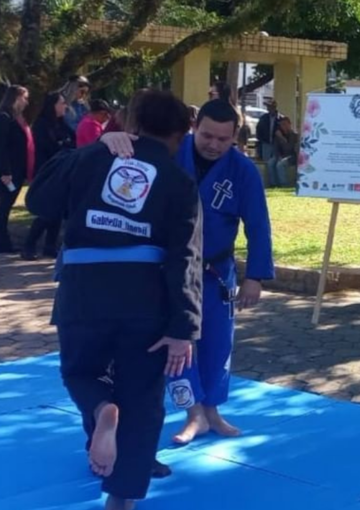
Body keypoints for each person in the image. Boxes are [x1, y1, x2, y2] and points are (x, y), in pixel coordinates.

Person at [25, 89, 204, 510]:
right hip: (144, 298)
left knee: (81, 373)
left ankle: (101, 409)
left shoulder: (92, 158)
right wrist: (184, 326)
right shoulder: (178, 181)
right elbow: (186, 256)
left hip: (83, 292)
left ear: (131, 122)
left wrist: (90, 149)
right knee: (142, 394)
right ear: (180, 135)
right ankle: (120, 498)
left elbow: (38, 201)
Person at [100, 98, 274, 444]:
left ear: (235, 136)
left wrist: (254, 277)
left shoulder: (243, 170)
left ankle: (212, 411)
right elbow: (121, 152)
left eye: (223, 139)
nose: (213, 145)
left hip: (216, 270)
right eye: (207, 135)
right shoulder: (169, 152)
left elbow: (258, 224)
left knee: (218, 342)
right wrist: (108, 138)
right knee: (178, 342)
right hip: (170, 270)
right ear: (194, 127)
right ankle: (192, 413)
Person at [22, 90, 75, 260]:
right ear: (52, 105)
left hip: (63, 171)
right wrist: (62, 146)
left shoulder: (63, 124)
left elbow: (72, 142)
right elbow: (47, 148)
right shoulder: (42, 125)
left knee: (58, 210)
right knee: (46, 211)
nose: (65, 106)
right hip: (47, 172)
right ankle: (29, 245)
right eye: (61, 103)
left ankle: (50, 246)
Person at [0, 84, 33, 254]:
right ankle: (0, 243)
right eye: (24, 98)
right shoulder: (2, 118)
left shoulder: (15, 118)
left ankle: (3, 241)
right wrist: (5, 172)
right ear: (16, 98)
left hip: (17, 170)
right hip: (8, 172)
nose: (26, 102)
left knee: (6, 206)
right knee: (3, 206)